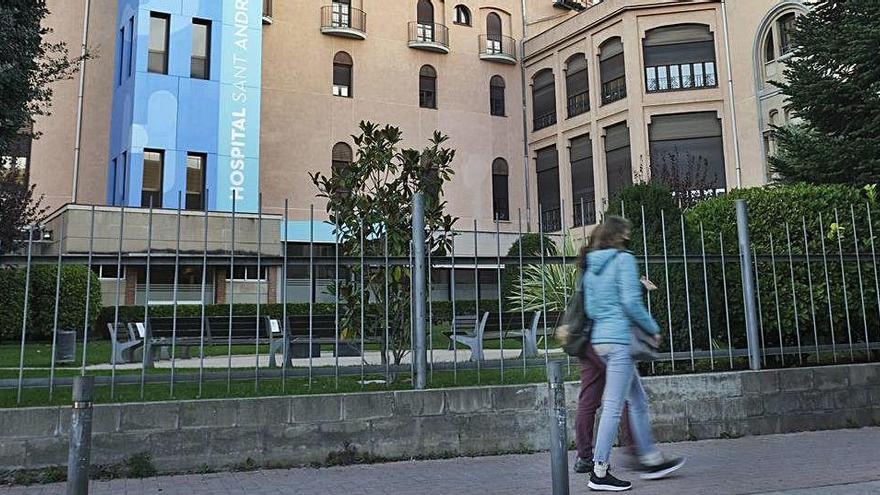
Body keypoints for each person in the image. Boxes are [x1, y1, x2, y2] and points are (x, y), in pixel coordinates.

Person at [584, 216, 684, 492]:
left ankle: (650, 459)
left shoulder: (592, 265)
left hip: (600, 341)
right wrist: (651, 329)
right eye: (626, 233)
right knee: (614, 406)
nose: (629, 237)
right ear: (620, 236)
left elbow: (591, 309)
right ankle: (599, 471)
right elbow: (631, 301)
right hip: (619, 342)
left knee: (637, 399)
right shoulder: (624, 260)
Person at [573, 242, 632, 475]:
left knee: (588, 400)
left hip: (586, 343)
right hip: (606, 340)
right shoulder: (605, 272)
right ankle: (636, 449)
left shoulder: (584, 274)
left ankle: (584, 456)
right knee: (625, 394)